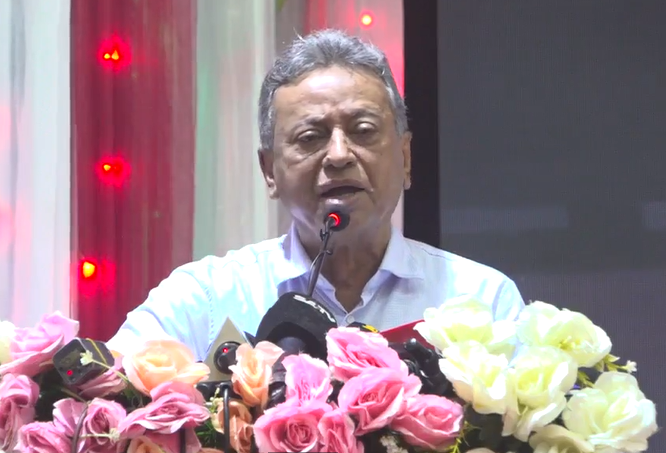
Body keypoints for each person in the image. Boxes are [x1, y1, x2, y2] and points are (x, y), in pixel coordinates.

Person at [107, 29, 525, 361]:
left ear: (405, 157)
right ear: (269, 171)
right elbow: (101, 406)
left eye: (363, 131)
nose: (339, 155)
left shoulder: (481, 300)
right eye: (310, 137)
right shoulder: (205, 299)